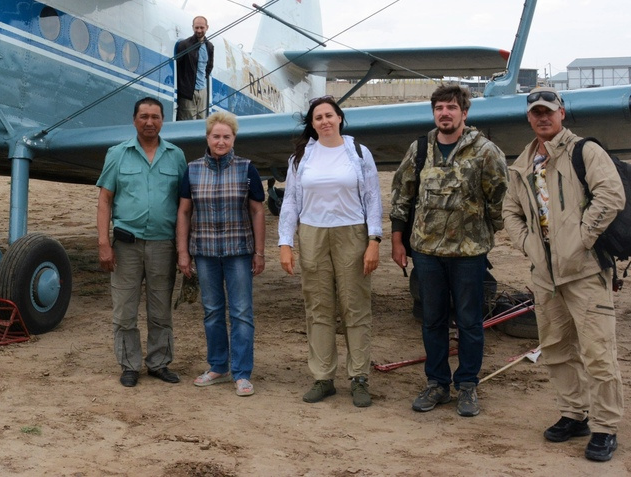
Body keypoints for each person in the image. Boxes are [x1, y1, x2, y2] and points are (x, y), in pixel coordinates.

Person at [503, 89, 625, 462]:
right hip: (545, 274)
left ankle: (605, 427)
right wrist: (528, 245)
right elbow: (510, 210)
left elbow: (611, 195)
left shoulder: (584, 151)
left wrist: (582, 238)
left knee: (598, 353)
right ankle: (574, 414)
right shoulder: (523, 162)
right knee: (556, 349)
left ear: (562, 113)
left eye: (549, 112)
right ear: (528, 118)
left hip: (584, 271)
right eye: (536, 113)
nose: (543, 118)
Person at [390, 83, 507, 418]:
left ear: (464, 113)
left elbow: (499, 198)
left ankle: (467, 385)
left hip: (469, 254)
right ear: (433, 112)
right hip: (427, 252)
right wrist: (398, 240)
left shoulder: (485, 151)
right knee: (433, 320)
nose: (445, 113)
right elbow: (402, 197)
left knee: (470, 321)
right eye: (439, 107)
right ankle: (437, 383)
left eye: (452, 107)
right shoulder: (420, 149)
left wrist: (482, 232)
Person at [278, 96, 382, 408]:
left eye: (329, 115)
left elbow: (374, 198)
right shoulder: (301, 158)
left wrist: (374, 240)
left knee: (355, 305)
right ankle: (323, 377)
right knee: (318, 306)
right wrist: (286, 243)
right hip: (312, 234)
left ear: (339, 118)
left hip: (352, 232)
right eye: (318, 118)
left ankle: (359, 377)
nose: (324, 121)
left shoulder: (359, 153)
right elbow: (291, 203)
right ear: (312, 124)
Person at [96, 97, 188, 388]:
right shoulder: (117, 154)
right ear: (134, 120)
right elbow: (105, 200)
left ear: (163, 121)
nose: (150, 122)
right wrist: (103, 243)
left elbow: (185, 205)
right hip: (127, 246)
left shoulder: (176, 156)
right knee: (125, 310)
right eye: (144, 116)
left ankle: (159, 363)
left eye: (156, 117)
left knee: (161, 310)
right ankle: (130, 365)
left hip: (163, 245)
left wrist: (185, 248)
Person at [176, 111, 266, 397]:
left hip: (238, 251)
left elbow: (257, 211)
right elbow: (184, 211)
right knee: (212, 312)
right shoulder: (192, 170)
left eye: (226, 136)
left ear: (234, 139)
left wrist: (260, 252)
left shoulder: (246, 169)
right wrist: (183, 252)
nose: (221, 141)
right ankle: (218, 366)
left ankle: (242, 373)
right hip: (204, 252)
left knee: (241, 312)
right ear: (207, 137)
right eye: (216, 136)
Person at [174, 16, 214, 121]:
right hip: (188, 90)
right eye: (196, 28)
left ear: (207, 28)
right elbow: (178, 66)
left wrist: (203, 78)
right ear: (193, 28)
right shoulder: (184, 45)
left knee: (202, 121)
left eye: (202, 27)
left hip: (202, 90)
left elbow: (209, 66)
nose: (199, 30)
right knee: (188, 120)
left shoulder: (209, 46)